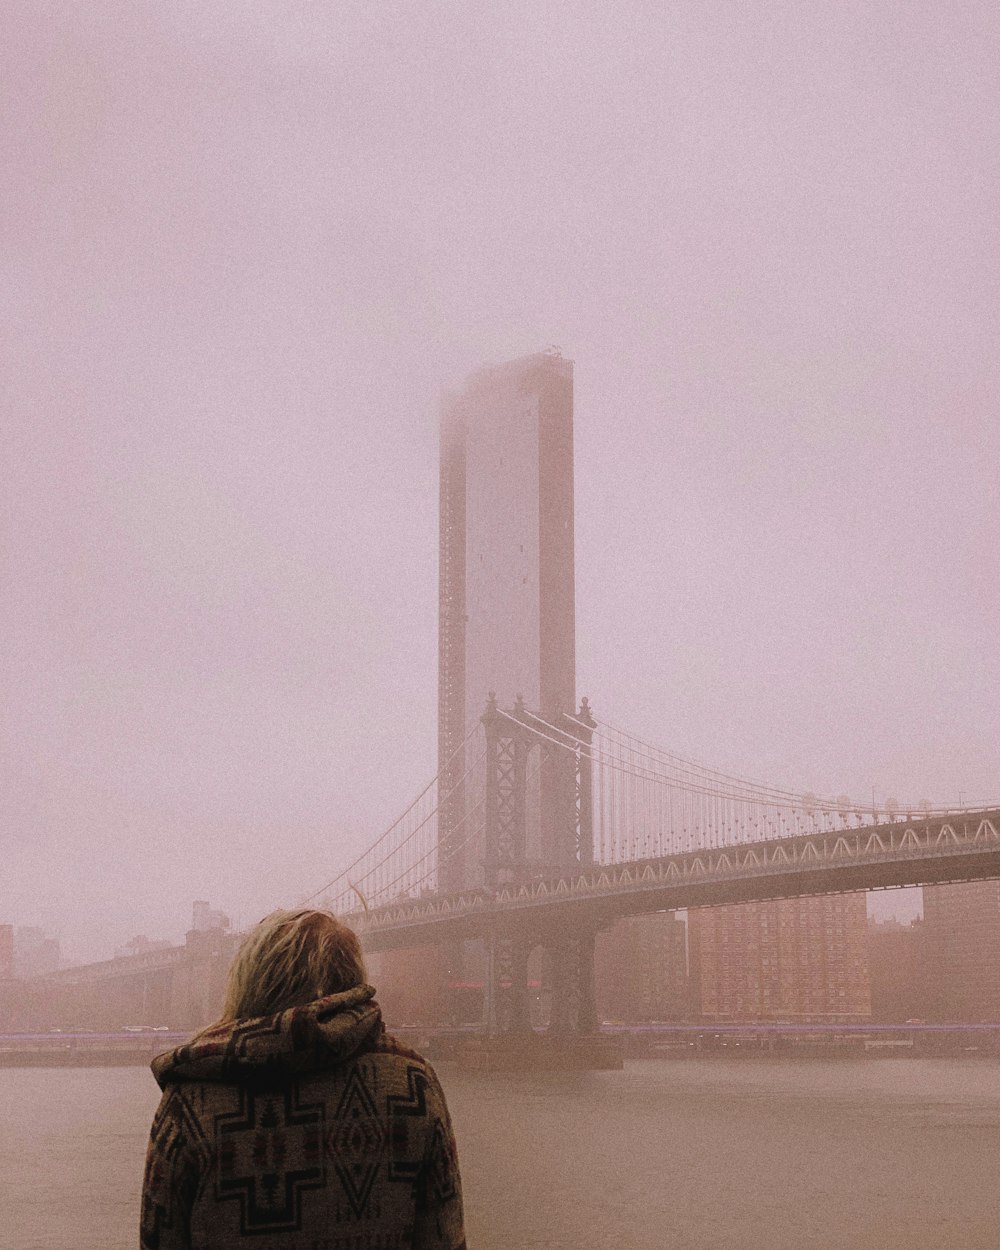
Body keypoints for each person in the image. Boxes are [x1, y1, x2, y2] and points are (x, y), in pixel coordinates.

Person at [140, 908, 466, 1250]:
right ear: (352, 975)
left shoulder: (191, 1099)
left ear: (251, 980)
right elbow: (446, 1238)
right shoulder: (412, 1083)